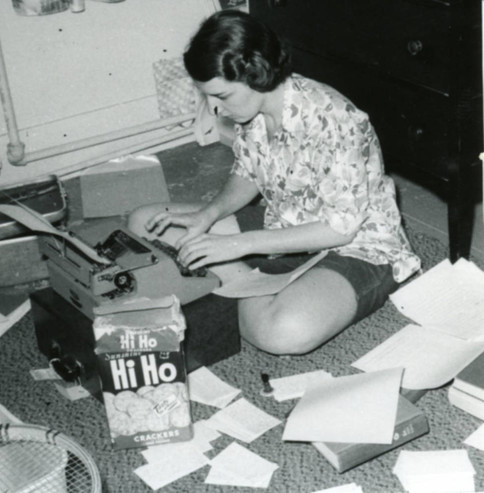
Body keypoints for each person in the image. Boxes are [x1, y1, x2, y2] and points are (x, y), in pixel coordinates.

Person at [127, 10, 421, 356]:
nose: (214, 108)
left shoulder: (335, 119)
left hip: (358, 247)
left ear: (257, 73)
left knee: (281, 333)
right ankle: (243, 278)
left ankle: (234, 277)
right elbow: (248, 174)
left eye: (221, 95)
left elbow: (340, 230)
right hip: (283, 229)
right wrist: (207, 215)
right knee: (143, 221)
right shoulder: (250, 111)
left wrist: (238, 246)